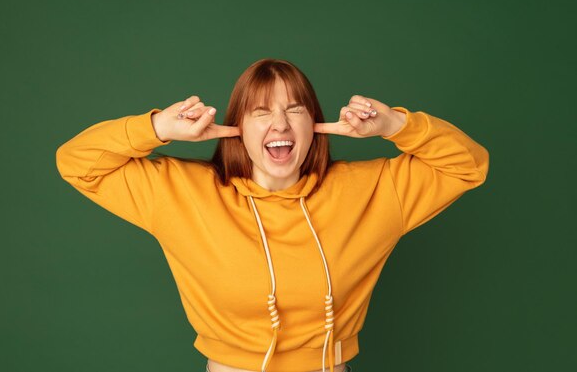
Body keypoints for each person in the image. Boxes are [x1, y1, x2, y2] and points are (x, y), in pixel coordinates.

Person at [55, 58, 490, 372]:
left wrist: (395, 125)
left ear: (315, 125)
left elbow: (470, 165)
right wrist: (156, 130)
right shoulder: (181, 193)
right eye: (261, 112)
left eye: (295, 110)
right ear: (237, 127)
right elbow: (75, 162)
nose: (279, 124)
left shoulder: (371, 192)